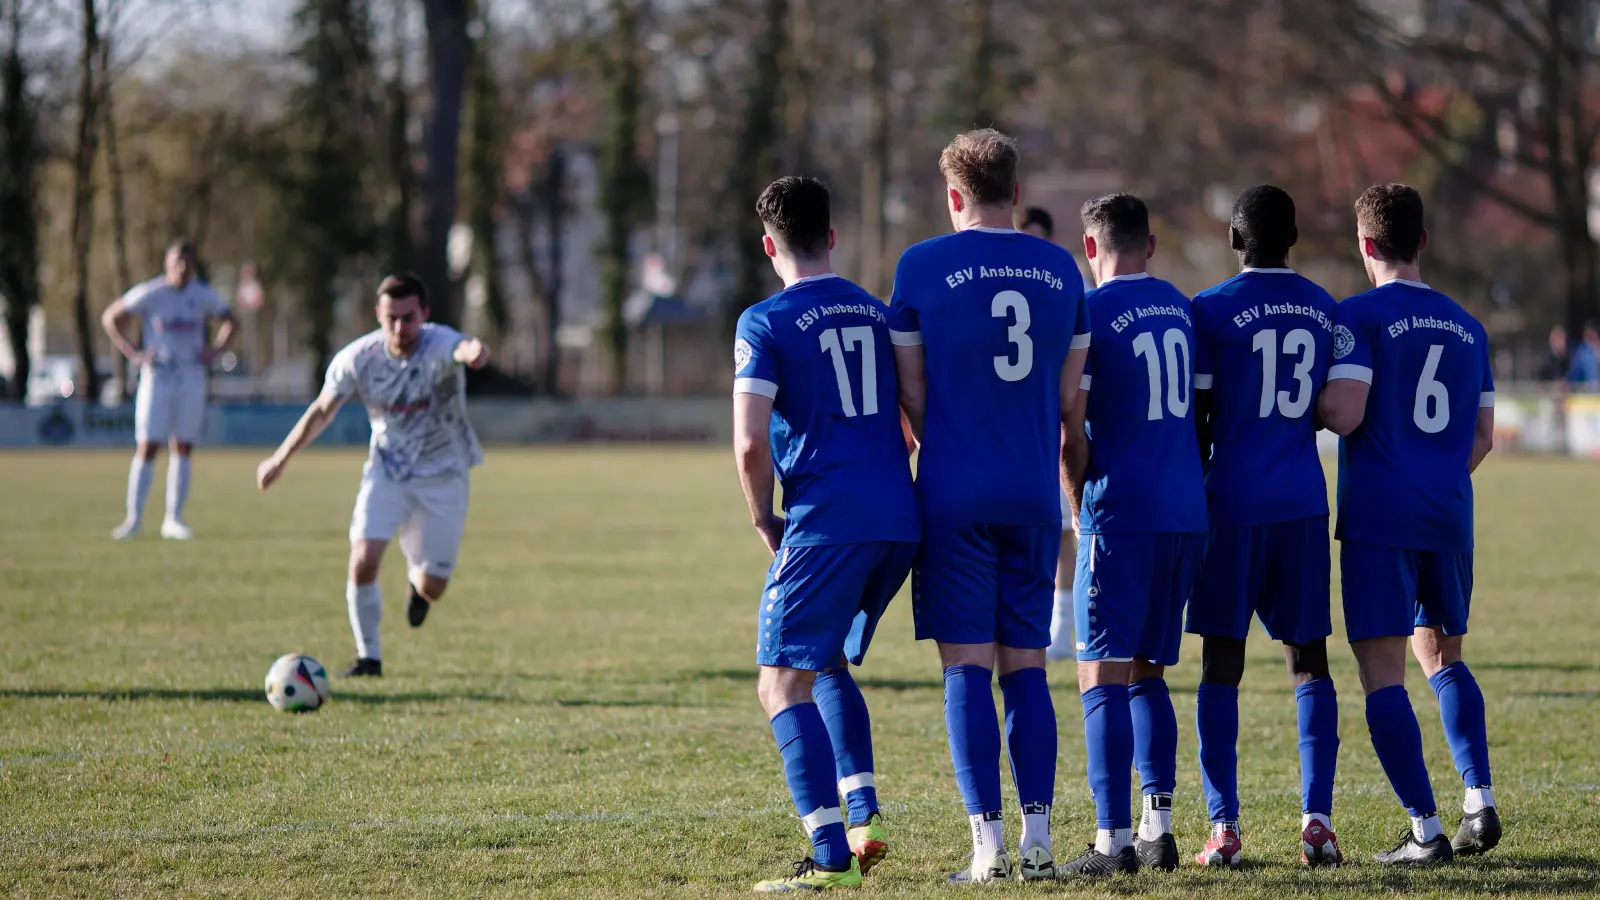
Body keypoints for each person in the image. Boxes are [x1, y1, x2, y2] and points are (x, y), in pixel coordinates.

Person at [888, 129, 1090, 884]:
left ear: (953, 196)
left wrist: (948, 430)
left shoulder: (920, 264)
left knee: (966, 670)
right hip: (1032, 493)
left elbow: (911, 391)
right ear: (1015, 191)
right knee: (1027, 668)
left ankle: (988, 848)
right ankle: (1039, 842)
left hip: (953, 493)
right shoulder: (1060, 267)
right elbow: (1069, 397)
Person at [732, 176, 919, 892]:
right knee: (827, 661)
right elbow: (912, 413)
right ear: (832, 237)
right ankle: (863, 817)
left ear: (768, 245)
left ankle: (829, 855)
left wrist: (762, 515)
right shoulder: (877, 310)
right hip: (897, 518)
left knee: (780, 684)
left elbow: (750, 442)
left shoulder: (765, 321)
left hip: (827, 522)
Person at [1317, 184, 1499, 865]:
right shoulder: (1469, 326)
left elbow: (1345, 413)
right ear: (1422, 241)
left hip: (1380, 518)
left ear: (1366, 244)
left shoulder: (1358, 315)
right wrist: (1437, 478)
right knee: (1445, 660)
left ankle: (1425, 831)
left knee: (1384, 675)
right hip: (1449, 513)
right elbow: (1483, 435)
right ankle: (1479, 800)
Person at [1186, 185, 1342, 867]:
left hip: (1230, 503)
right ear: (1294, 237)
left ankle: (1223, 827)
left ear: (1233, 239)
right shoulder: (1324, 307)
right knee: (1309, 662)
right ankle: (1318, 821)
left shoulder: (1209, 309)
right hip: (1302, 501)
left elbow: (1198, 418)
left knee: (1222, 662)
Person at [1059, 193, 1205, 877]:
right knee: (1149, 671)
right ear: (1150, 244)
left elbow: (1071, 425)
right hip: (1184, 511)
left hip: (1121, 511)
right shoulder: (1181, 307)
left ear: (1091, 247)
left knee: (1100, 673)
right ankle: (1158, 827)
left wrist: (1077, 503)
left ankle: (1112, 840)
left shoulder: (1089, 312)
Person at [256, 273, 489, 679]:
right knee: (363, 560)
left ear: (424, 314)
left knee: (433, 585)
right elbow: (322, 410)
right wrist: (280, 459)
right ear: (378, 314)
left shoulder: (439, 343)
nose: (399, 327)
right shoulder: (359, 358)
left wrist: (475, 352)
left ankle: (418, 589)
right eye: (390, 318)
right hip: (387, 471)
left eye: (408, 318)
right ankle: (369, 659)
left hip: (443, 475)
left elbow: (462, 346)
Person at [101, 240, 236, 540]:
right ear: (167, 264)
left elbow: (231, 320)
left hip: (191, 376)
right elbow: (111, 317)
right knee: (148, 445)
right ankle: (134, 519)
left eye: (188, 262)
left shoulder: (203, 295)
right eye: (178, 261)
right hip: (158, 375)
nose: (183, 268)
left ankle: (173, 519)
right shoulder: (152, 293)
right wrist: (133, 353)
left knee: (183, 445)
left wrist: (214, 351)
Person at [1015, 205, 1086, 663]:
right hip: (1012, 434)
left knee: (1064, 531)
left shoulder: (1069, 285)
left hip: (1055, 429)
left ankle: (1062, 626)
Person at [1565, 321, 1600, 391]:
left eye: (1592, 333)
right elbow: (1574, 373)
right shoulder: (1582, 352)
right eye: (1587, 334)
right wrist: (1568, 384)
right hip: (1589, 392)